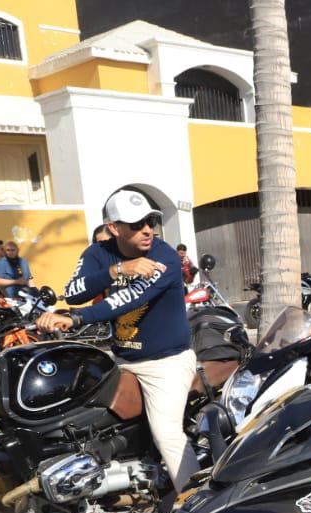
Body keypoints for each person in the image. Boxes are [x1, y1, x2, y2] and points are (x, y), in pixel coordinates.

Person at [37, 189, 198, 491]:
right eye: (137, 224)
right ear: (114, 228)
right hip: (123, 359)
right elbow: (73, 291)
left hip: (167, 363)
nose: (148, 229)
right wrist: (117, 269)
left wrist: (76, 318)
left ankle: (195, 508)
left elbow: (127, 299)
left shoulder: (163, 257)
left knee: (167, 435)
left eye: (150, 221)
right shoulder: (98, 254)